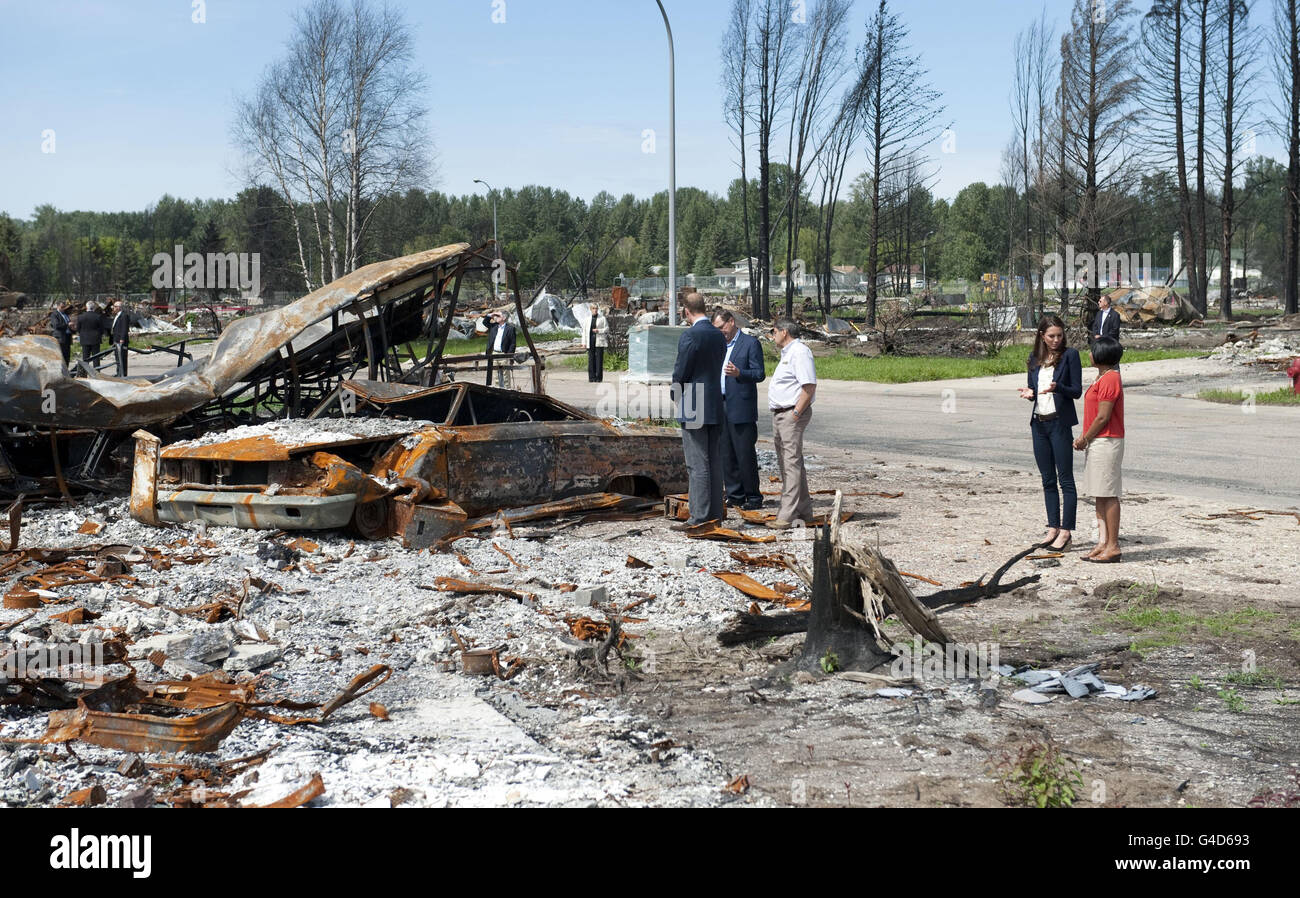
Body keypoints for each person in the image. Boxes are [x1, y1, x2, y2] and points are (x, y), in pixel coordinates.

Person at [1017, 314, 1082, 551]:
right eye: (1051, 336)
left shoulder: (1070, 356)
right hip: (1039, 424)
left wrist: (1058, 387)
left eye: (1059, 335)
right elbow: (1034, 389)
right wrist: (1029, 393)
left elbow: (1076, 391)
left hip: (1059, 423)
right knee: (1047, 480)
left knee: (1066, 479)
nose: (1056, 340)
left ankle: (1066, 531)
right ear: (1042, 336)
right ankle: (1052, 527)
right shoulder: (1034, 358)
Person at [670, 293, 726, 528]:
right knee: (713, 460)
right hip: (714, 400)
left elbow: (681, 371)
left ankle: (699, 517)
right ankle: (714, 514)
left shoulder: (691, 335)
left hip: (694, 401)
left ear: (686, 311)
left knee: (697, 462)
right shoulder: (718, 335)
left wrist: (675, 393)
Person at [1074, 336, 1125, 563]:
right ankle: (1102, 542)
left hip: (1107, 440)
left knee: (1109, 492)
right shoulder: (1101, 377)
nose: (1089, 354)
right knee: (1099, 493)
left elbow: (1103, 416)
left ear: (1101, 354)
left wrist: (1085, 438)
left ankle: (1113, 545)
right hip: (1098, 441)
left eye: (1092, 351)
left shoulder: (1111, 379)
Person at [712, 308, 765, 510]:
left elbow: (759, 373)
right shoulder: (718, 345)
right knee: (726, 453)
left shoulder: (750, 343)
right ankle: (735, 495)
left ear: (731, 322)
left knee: (744, 454)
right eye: (716, 329)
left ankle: (753, 497)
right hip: (721, 403)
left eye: (721, 327)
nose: (720, 332)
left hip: (741, 406)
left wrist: (739, 373)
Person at [767, 318, 816, 529]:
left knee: (790, 464)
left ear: (784, 332)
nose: (772, 335)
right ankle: (804, 511)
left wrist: (796, 413)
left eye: (774, 331)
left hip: (791, 414)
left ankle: (786, 516)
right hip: (781, 414)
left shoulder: (800, 352)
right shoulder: (787, 353)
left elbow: (809, 386)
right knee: (790, 462)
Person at [482, 310, 517, 388]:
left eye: (498, 316)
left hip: (504, 354)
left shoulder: (510, 328)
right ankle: (498, 389)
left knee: (505, 375)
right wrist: (491, 315)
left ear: (504, 318)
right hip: (494, 353)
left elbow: (513, 343)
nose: (496, 317)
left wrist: (509, 355)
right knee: (496, 375)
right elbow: (484, 322)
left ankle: (507, 390)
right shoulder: (493, 326)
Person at [585, 303, 608, 383]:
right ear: (590, 309)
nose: (595, 310)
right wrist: (583, 342)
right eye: (593, 308)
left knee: (599, 359)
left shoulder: (602, 318)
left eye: (596, 308)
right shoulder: (587, 319)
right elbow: (584, 331)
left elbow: (607, 329)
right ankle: (591, 377)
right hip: (590, 340)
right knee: (591, 359)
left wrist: (599, 331)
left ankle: (598, 378)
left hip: (599, 340)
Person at [110, 300, 131, 376]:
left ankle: (123, 374)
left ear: (119, 307)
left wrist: (122, 339)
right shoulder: (117, 315)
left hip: (121, 340)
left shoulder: (124, 315)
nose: (113, 308)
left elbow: (124, 328)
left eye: (115, 307)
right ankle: (119, 372)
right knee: (118, 358)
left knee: (122, 358)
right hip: (116, 339)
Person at [49, 301, 73, 366]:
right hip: (60, 338)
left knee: (67, 357)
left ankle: (67, 371)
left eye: (64, 307)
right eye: (62, 307)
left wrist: (72, 328)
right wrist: (67, 325)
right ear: (58, 306)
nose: (63, 308)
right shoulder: (55, 314)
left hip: (67, 337)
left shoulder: (65, 314)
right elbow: (56, 325)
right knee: (61, 356)